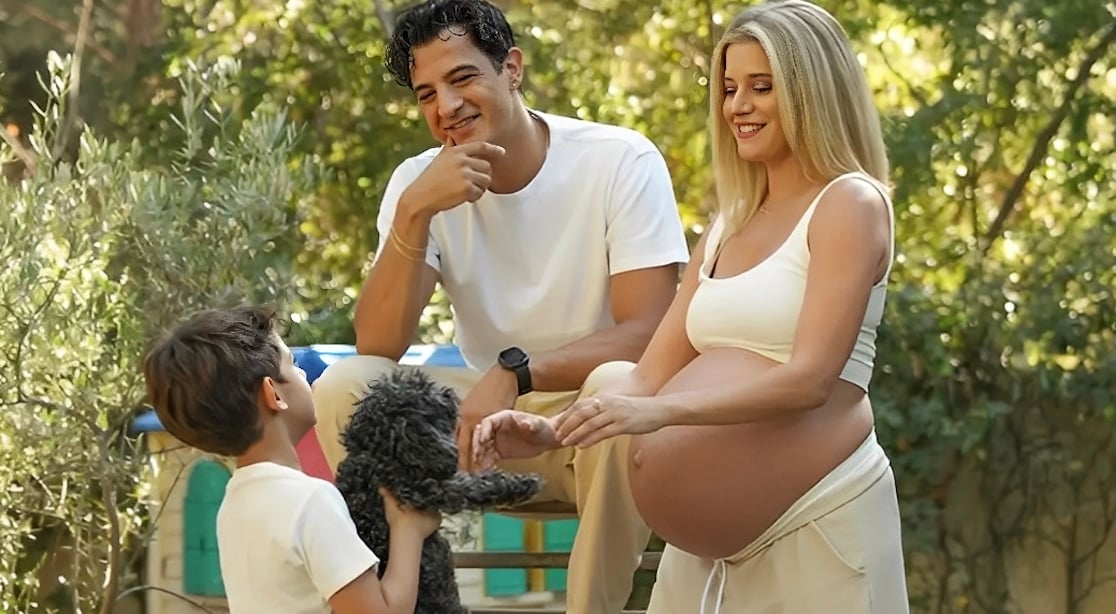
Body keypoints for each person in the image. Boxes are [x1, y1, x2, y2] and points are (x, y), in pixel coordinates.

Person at [472, 0, 910, 612]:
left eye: (762, 87)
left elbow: (809, 380)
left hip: (818, 525)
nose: (738, 106)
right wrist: (554, 432)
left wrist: (661, 415)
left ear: (812, 91)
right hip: (705, 561)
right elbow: (646, 376)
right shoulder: (730, 223)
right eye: (730, 88)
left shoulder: (850, 205)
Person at [310, 0, 690, 610]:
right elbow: (377, 344)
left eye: (462, 78)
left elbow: (647, 333)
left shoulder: (620, 159)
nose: (446, 107)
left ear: (511, 68)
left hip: (590, 433)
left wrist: (515, 373)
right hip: (476, 440)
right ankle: (401, 597)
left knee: (619, 382)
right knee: (344, 387)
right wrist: (415, 210)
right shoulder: (418, 183)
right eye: (426, 95)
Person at [143, 305, 442, 614]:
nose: (302, 374)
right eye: (293, 364)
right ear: (273, 394)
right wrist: (409, 528)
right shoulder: (310, 501)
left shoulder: (232, 507)